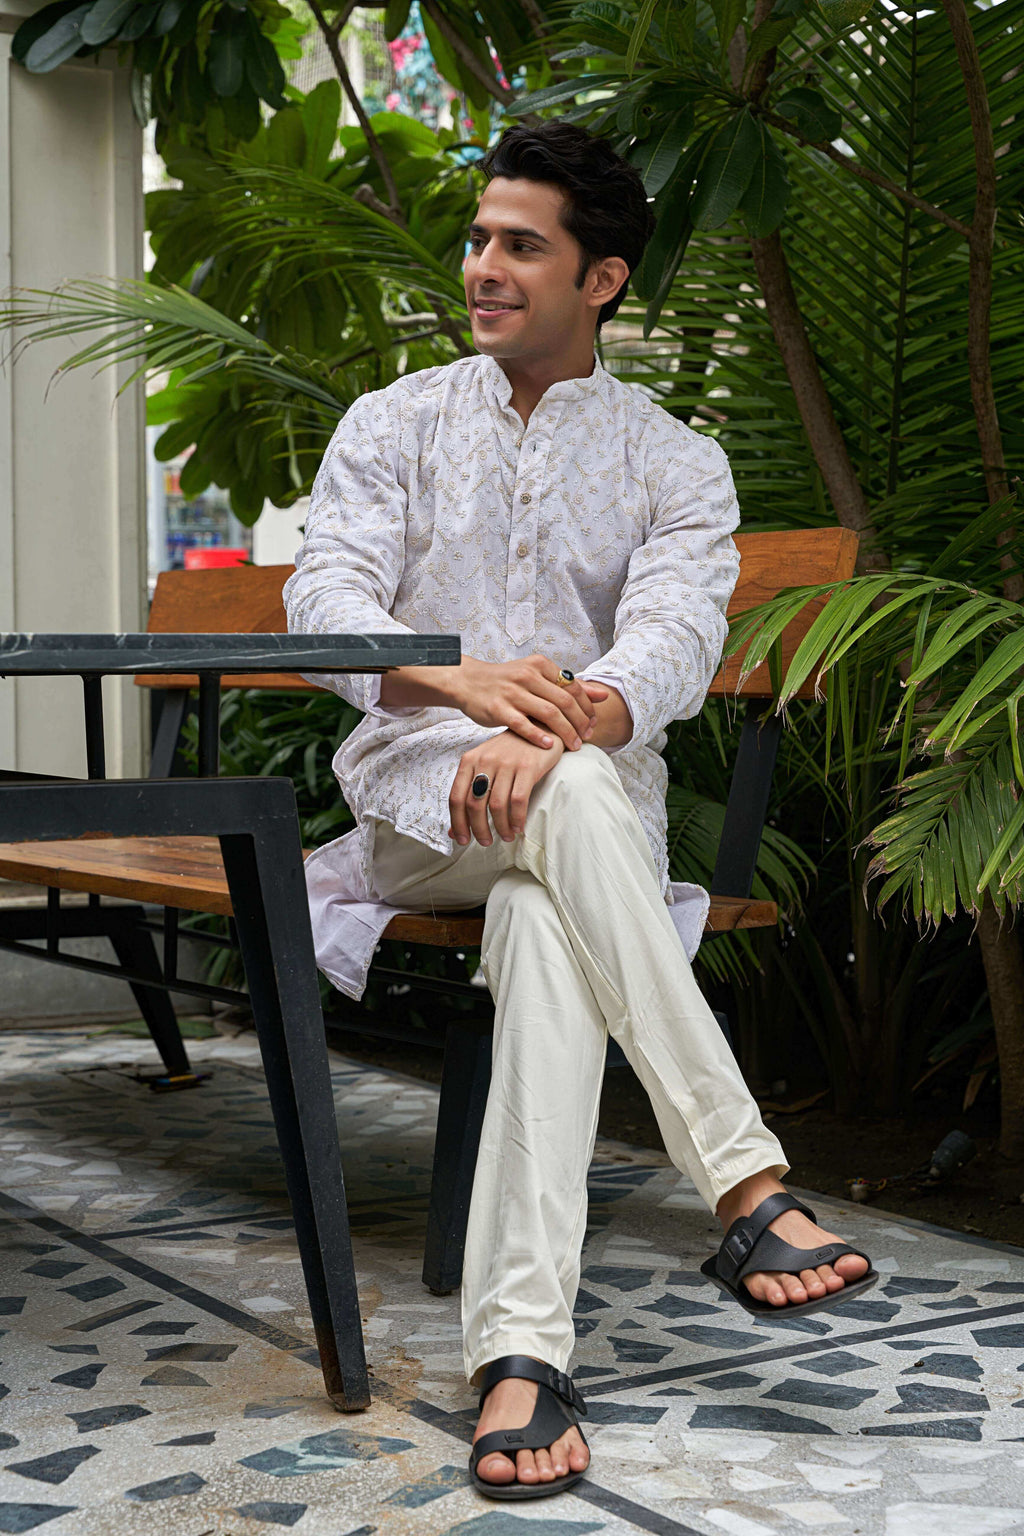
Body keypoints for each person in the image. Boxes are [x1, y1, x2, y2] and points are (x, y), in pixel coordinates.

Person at [285, 119, 876, 1502]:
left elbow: (670, 648)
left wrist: (562, 737)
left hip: (578, 823)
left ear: (599, 280)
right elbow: (325, 611)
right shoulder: (396, 424)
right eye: (481, 239)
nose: (483, 266)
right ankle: (741, 1180)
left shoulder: (677, 462)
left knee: (552, 919)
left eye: (520, 246)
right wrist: (470, 690)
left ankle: (522, 1359)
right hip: (414, 818)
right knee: (572, 811)